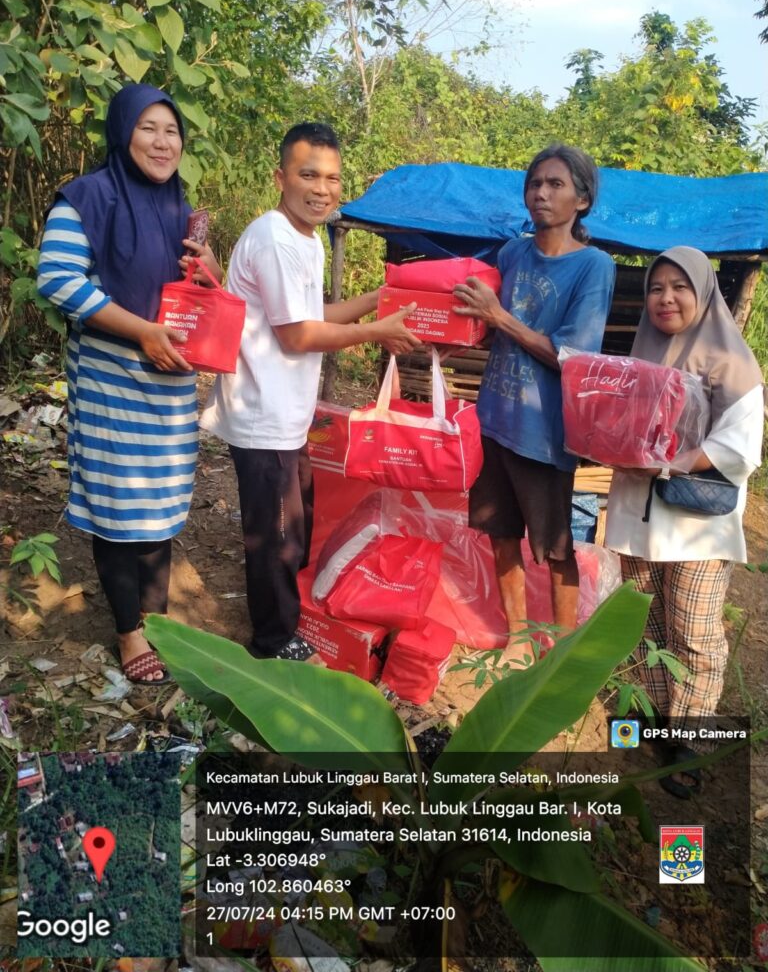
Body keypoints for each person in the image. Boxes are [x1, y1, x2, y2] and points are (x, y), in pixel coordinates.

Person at [200, 122, 419, 661]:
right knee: (273, 537)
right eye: (308, 175)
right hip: (262, 414)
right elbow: (298, 336)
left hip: (288, 413)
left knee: (292, 533)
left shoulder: (308, 236)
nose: (322, 188)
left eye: (332, 178)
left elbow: (313, 314)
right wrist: (378, 332)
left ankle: (287, 617)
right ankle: (274, 643)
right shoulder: (274, 237)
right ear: (281, 177)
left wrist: (378, 299)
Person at [37, 83, 221, 684]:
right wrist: (141, 330)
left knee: (161, 502)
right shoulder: (87, 198)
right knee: (120, 507)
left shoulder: (178, 206)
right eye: (148, 128)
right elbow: (59, 280)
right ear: (122, 133)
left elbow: (193, 297)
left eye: (171, 131)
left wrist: (207, 274)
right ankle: (128, 630)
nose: (162, 141)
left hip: (168, 382)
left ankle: (157, 617)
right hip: (113, 378)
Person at [605, 247, 763, 796]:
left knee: (693, 630)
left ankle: (688, 737)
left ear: (703, 292)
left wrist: (664, 459)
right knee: (642, 621)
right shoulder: (642, 352)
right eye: (656, 287)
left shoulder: (732, 360)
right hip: (637, 514)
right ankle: (648, 714)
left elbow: (740, 450)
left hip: (695, 522)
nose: (665, 298)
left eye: (679, 287)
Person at [452, 144, 615, 664]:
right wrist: (460, 327)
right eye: (535, 184)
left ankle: (562, 654)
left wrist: (499, 318)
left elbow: (573, 355)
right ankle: (519, 639)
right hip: (494, 421)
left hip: (544, 434)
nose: (541, 193)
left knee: (556, 548)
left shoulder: (594, 267)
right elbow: (487, 327)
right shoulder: (513, 253)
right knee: (501, 536)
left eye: (555, 185)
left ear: (582, 200)